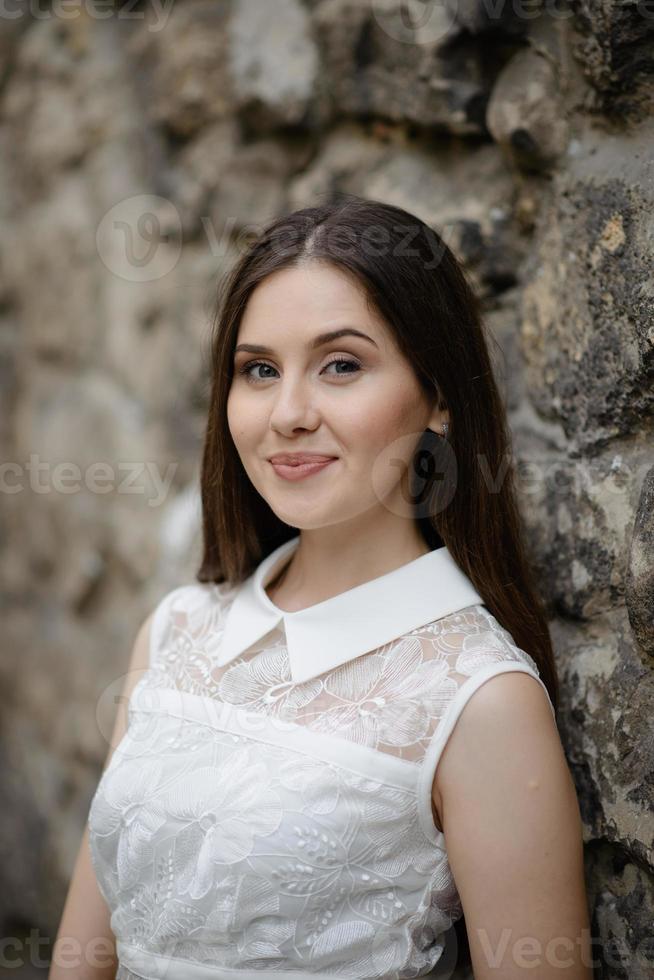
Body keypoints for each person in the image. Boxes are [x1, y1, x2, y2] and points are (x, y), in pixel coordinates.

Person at [50, 196, 593, 979]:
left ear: (439, 398)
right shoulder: (176, 631)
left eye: (342, 365)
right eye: (259, 370)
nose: (288, 414)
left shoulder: (476, 696)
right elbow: (83, 960)